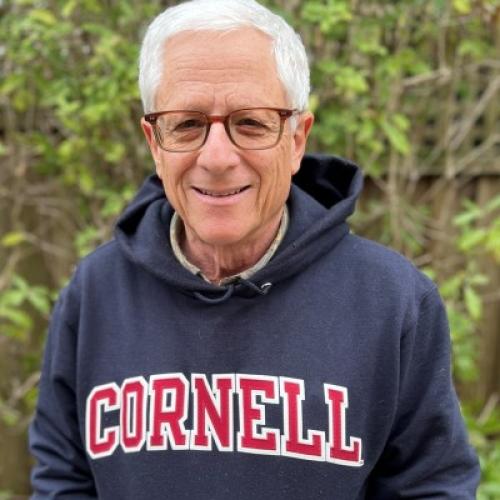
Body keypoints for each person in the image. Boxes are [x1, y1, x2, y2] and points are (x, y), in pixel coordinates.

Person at [29, 0, 480, 498]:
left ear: (296, 139)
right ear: (155, 143)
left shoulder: (392, 301)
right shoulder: (95, 294)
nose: (217, 157)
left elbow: (429, 486)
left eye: (250, 122)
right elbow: (63, 481)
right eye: (186, 124)